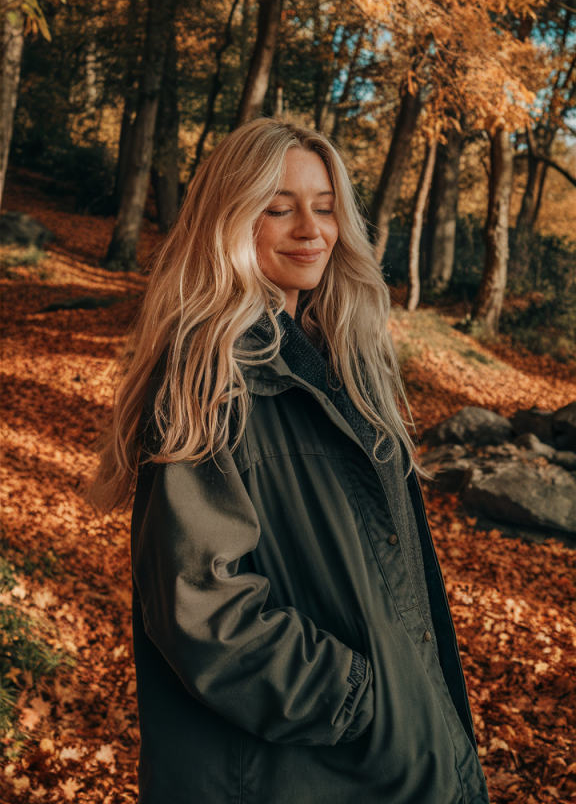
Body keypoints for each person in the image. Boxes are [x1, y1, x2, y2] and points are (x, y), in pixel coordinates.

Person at [91, 118, 489, 804]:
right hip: (295, 774)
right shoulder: (211, 376)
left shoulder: (339, 367)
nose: (310, 228)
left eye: (326, 206)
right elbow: (202, 607)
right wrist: (366, 703)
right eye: (278, 207)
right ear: (231, 218)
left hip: (383, 768)